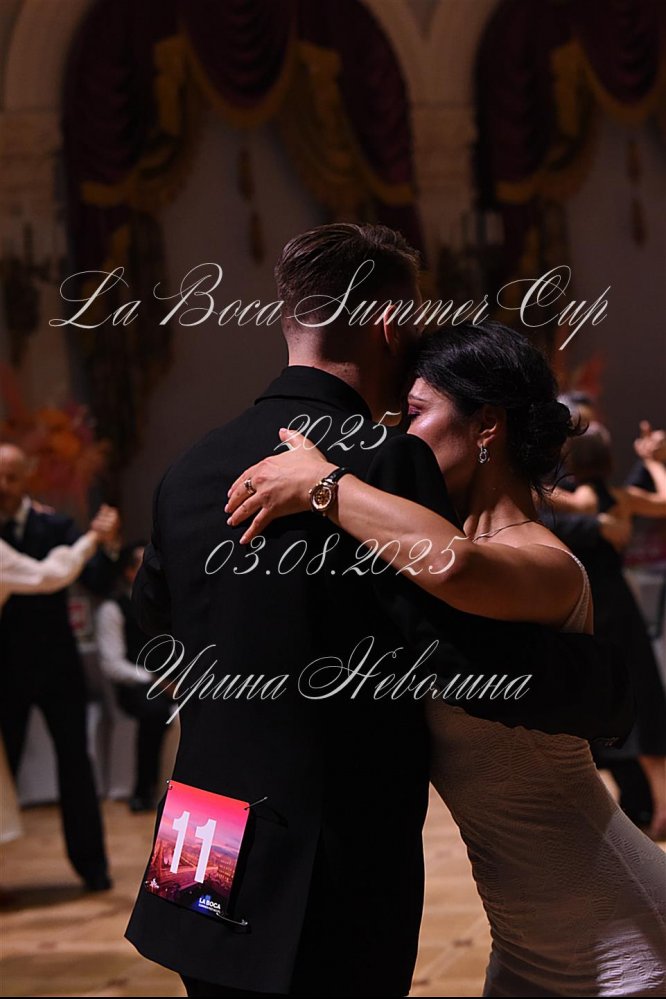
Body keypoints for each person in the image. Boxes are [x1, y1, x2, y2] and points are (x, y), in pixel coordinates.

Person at [126, 224, 630, 999]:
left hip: (199, 837)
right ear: (391, 323)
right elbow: (452, 650)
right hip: (332, 860)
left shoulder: (189, 467)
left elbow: (155, 628)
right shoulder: (387, 462)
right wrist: (605, 687)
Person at [227, 321, 666, 998]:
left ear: (486, 424)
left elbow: (456, 566)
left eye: (416, 413)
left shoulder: (544, 559)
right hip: (522, 947)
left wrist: (324, 483)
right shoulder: (433, 558)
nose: (400, 436)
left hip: (622, 937)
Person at [0, 442, 118, 891]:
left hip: (56, 666)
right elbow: (49, 575)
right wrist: (90, 540)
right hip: (3, 673)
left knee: (75, 764)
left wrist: (106, 544)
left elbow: (93, 579)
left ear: (26, 477)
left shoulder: (54, 525)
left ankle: (93, 867)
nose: (3, 485)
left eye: (11, 476)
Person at [547, 421, 666, 840]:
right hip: (620, 608)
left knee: (602, 703)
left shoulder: (568, 500)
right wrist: (653, 462)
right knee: (640, 697)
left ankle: (643, 809)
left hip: (584, 612)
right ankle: (656, 806)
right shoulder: (618, 498)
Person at [95, 542, 171, 812]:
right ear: (129, 572)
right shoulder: (113, 609)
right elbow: (112, 664)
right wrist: (155, 680)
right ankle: (144, 790)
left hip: (173, 681)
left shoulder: (169, 604)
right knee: (155, 712)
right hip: (136, 684)